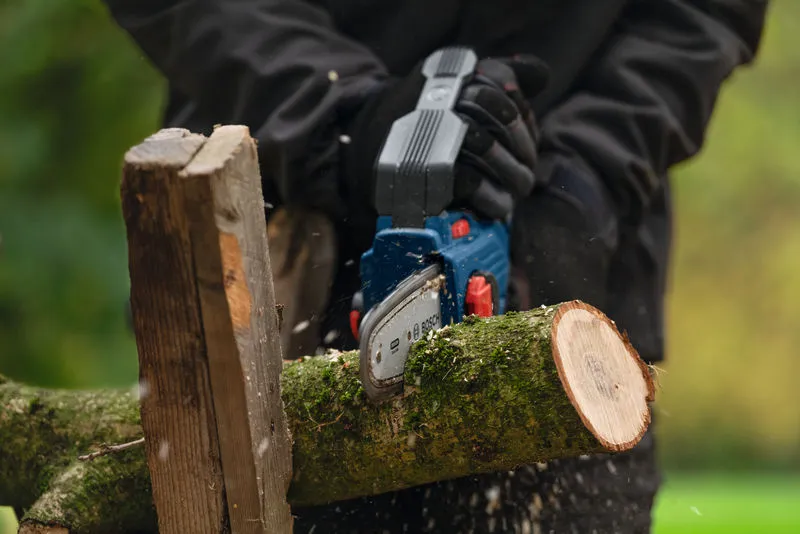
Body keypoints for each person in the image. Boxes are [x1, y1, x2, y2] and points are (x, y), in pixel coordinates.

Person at [103, 1, 768, 532]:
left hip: (577, 302)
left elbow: (701, 16)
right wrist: (342, 116)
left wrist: (589, 174)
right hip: (272, 272)